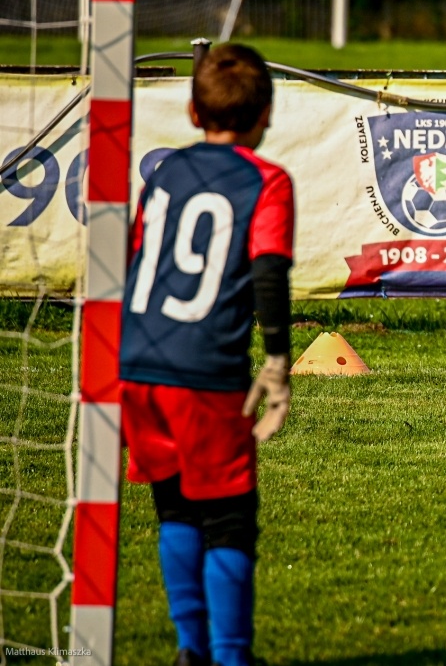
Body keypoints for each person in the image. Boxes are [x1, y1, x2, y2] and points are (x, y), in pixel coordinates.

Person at [121, 43, 295, 666]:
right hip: (204, 368)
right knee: (227, 518)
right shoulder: (266, 181)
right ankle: (228, 656)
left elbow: (137, 257)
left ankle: (190, 649)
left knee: (173, 505)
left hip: (137, 357)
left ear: (193, 115)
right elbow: (269, 272)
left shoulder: (163, 173)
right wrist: (277, 360)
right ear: (267, 113)